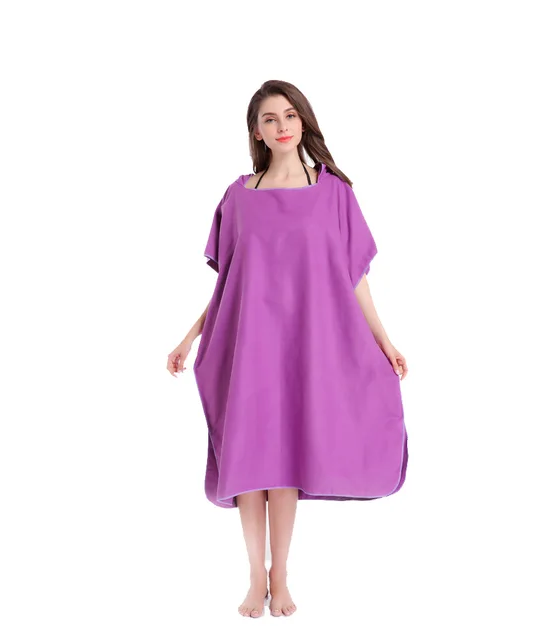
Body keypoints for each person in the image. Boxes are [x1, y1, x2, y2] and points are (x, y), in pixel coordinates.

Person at [166, 80, 409, 618]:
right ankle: (256, 576)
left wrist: (384, 340)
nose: (282, 126)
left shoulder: (334, 192)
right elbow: (229, 283)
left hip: (306, 345)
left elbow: (354, 276)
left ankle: (281, 574)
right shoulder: (237, 197)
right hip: (248, 344)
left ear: (304, 122)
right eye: (270, 119)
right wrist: (190, 336)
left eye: (290, 115)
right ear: (256, 131)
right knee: (250, 460)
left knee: (286, 460)